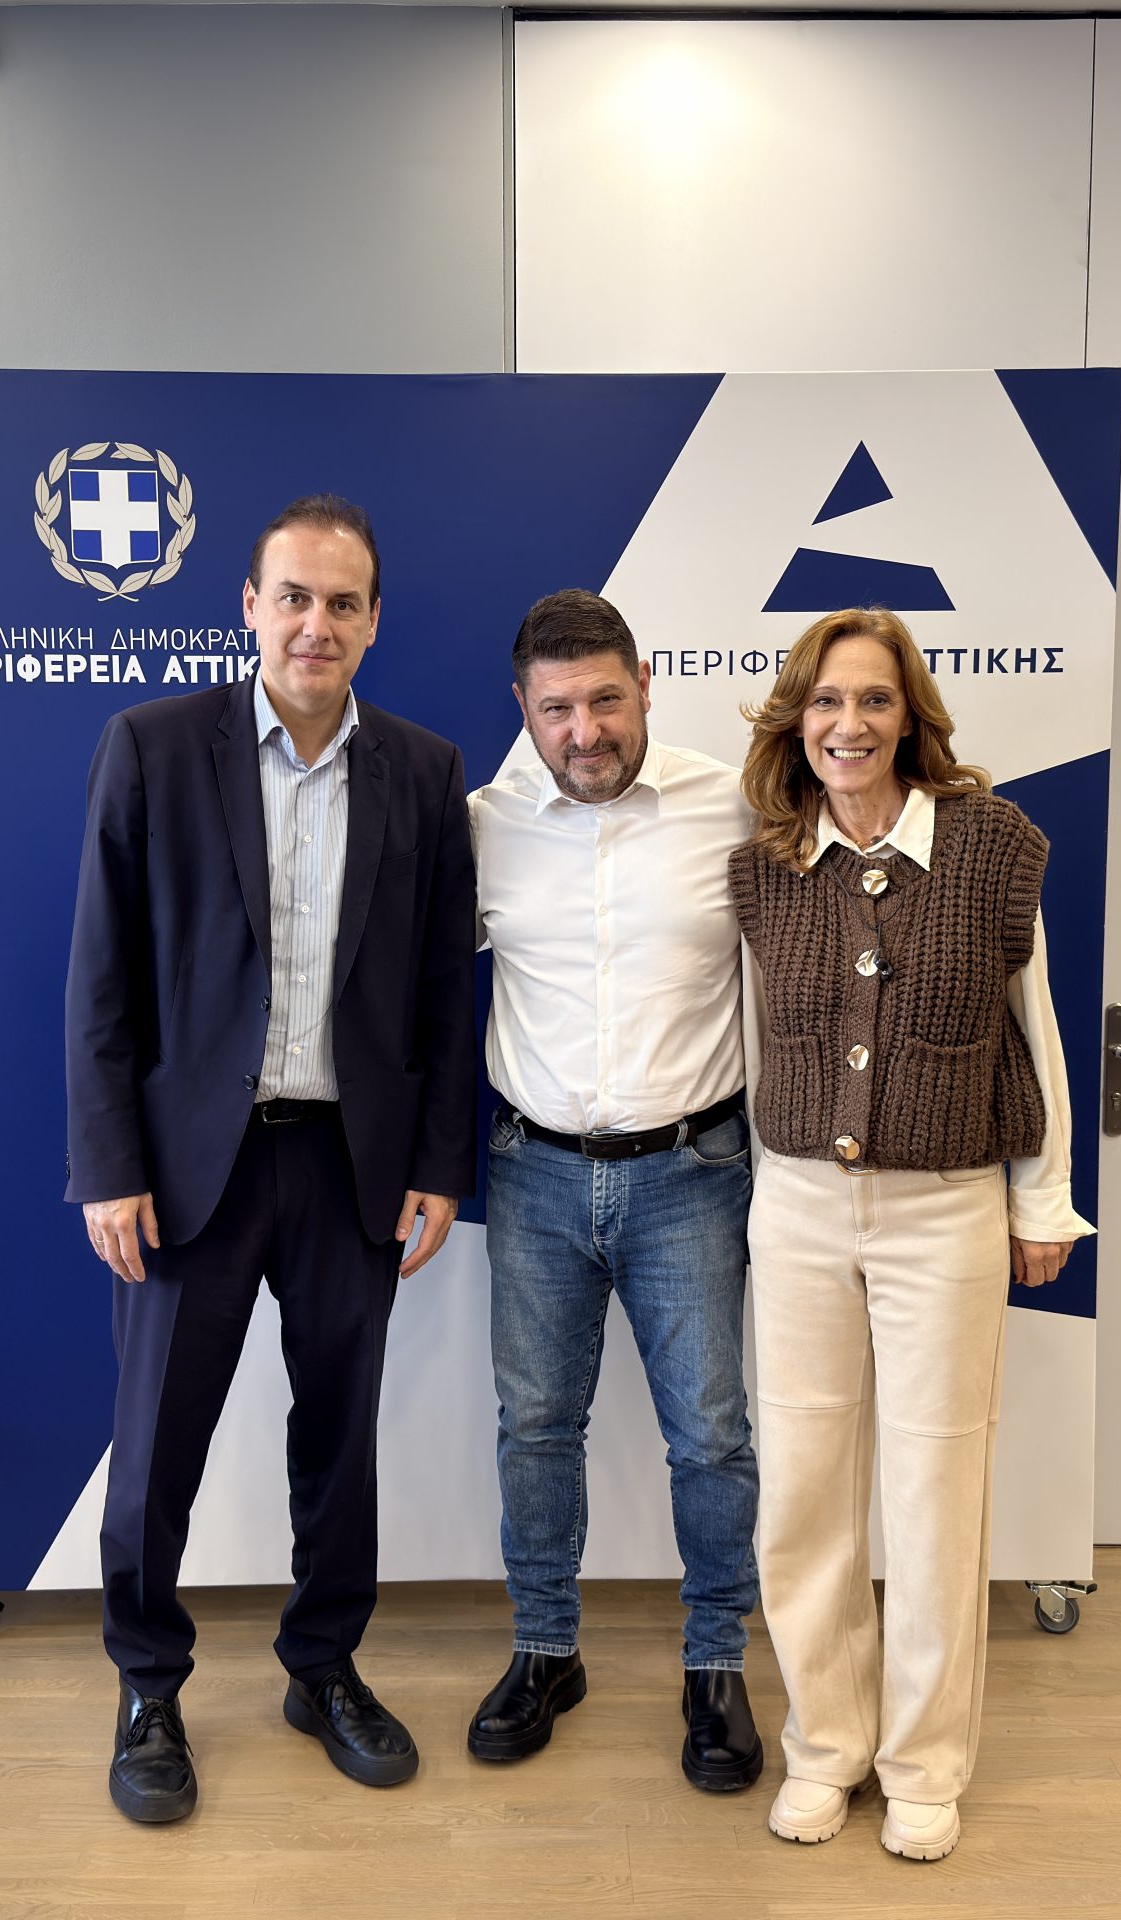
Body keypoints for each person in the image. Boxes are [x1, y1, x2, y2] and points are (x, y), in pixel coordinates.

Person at [64, 494, 476, 1825]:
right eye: (292, 597)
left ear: (374, 621)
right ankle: (147, 1685)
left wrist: (438, 1163)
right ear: (248, 607)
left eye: (342, 602)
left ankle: (323, 1666)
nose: (315, 624)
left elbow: (440, 992)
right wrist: (107, 1164)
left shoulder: (423, 771)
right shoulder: (152, 748)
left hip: (351, 1169)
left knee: (339, 1442)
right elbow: (101, 976)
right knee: (154, 1450)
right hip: (193, 1170)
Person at [727, 607, 1093, 1863]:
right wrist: (758, 1200)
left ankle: (925, 1762)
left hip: (945, 1208)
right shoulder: (767, 864)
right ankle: (825, 1746)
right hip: (797, 1207)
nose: (849, 724)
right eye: (827, 701)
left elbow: (1036, 1032)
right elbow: (754, 1045)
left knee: (936, 1492)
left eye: (873, 699)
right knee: (803, 1491)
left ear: (909, 715)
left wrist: (1040, 1198)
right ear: (798, 720)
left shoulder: (990, 848)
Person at [464, 589, 765, 1790]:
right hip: (531, 1172)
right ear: (523, 709)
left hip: (693, 1173)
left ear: (644, 685)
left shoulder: (734, 807)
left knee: (712, 1436)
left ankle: (715, 1666)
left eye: (602, 700)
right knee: (535, 1427)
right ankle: (546, 1651)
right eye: (555, 709)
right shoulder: (481, 827)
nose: (583, 731)